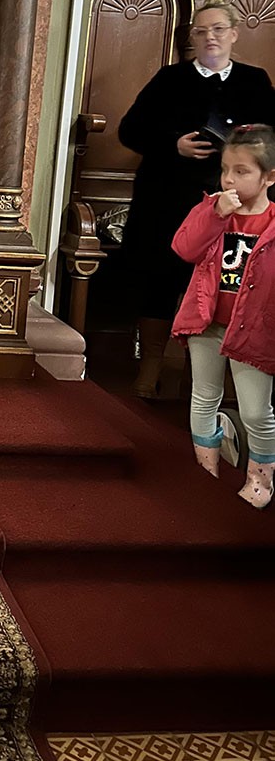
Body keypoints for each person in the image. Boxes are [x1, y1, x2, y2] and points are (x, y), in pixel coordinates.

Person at [118, 0, 275, 397]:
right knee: (161, 278)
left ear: (234, 34)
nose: (210, 37)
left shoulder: (255, 81)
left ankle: (203, 378)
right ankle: (150, 366)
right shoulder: (169, 79)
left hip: (234, 205)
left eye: (218, 29)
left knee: (223, 285)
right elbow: (129, 130)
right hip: (167, 198)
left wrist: (242, 156)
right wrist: (173, 144)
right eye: (201, 31)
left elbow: (271, 139)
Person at [171, 125, 275, 509]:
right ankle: (206, 471)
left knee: (256, 411)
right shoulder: (212, 209)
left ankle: (260, 481)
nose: (229, 179)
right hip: (208, 323)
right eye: (225, 169)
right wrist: (215, 214)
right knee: (203, 398)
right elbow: (185, 248)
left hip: (255, 331)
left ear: (269, 177)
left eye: (242, 171)